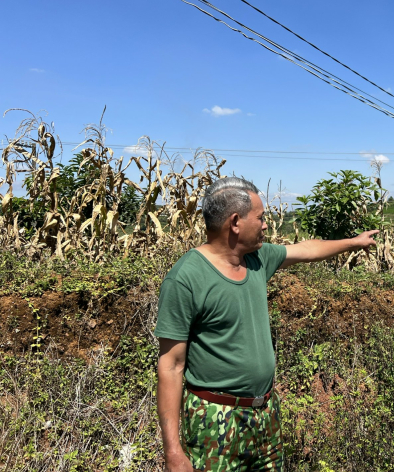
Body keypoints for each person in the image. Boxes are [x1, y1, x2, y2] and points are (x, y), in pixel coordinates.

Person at [155, 177, 378, 472]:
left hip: (265, 413)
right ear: (235, 222)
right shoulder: (186, 278)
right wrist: (173, 451)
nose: (265, 225)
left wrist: (353, 242)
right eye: (260, 218)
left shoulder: (257, 259)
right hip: (215, 420)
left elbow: (307, 250)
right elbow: (170, 365)